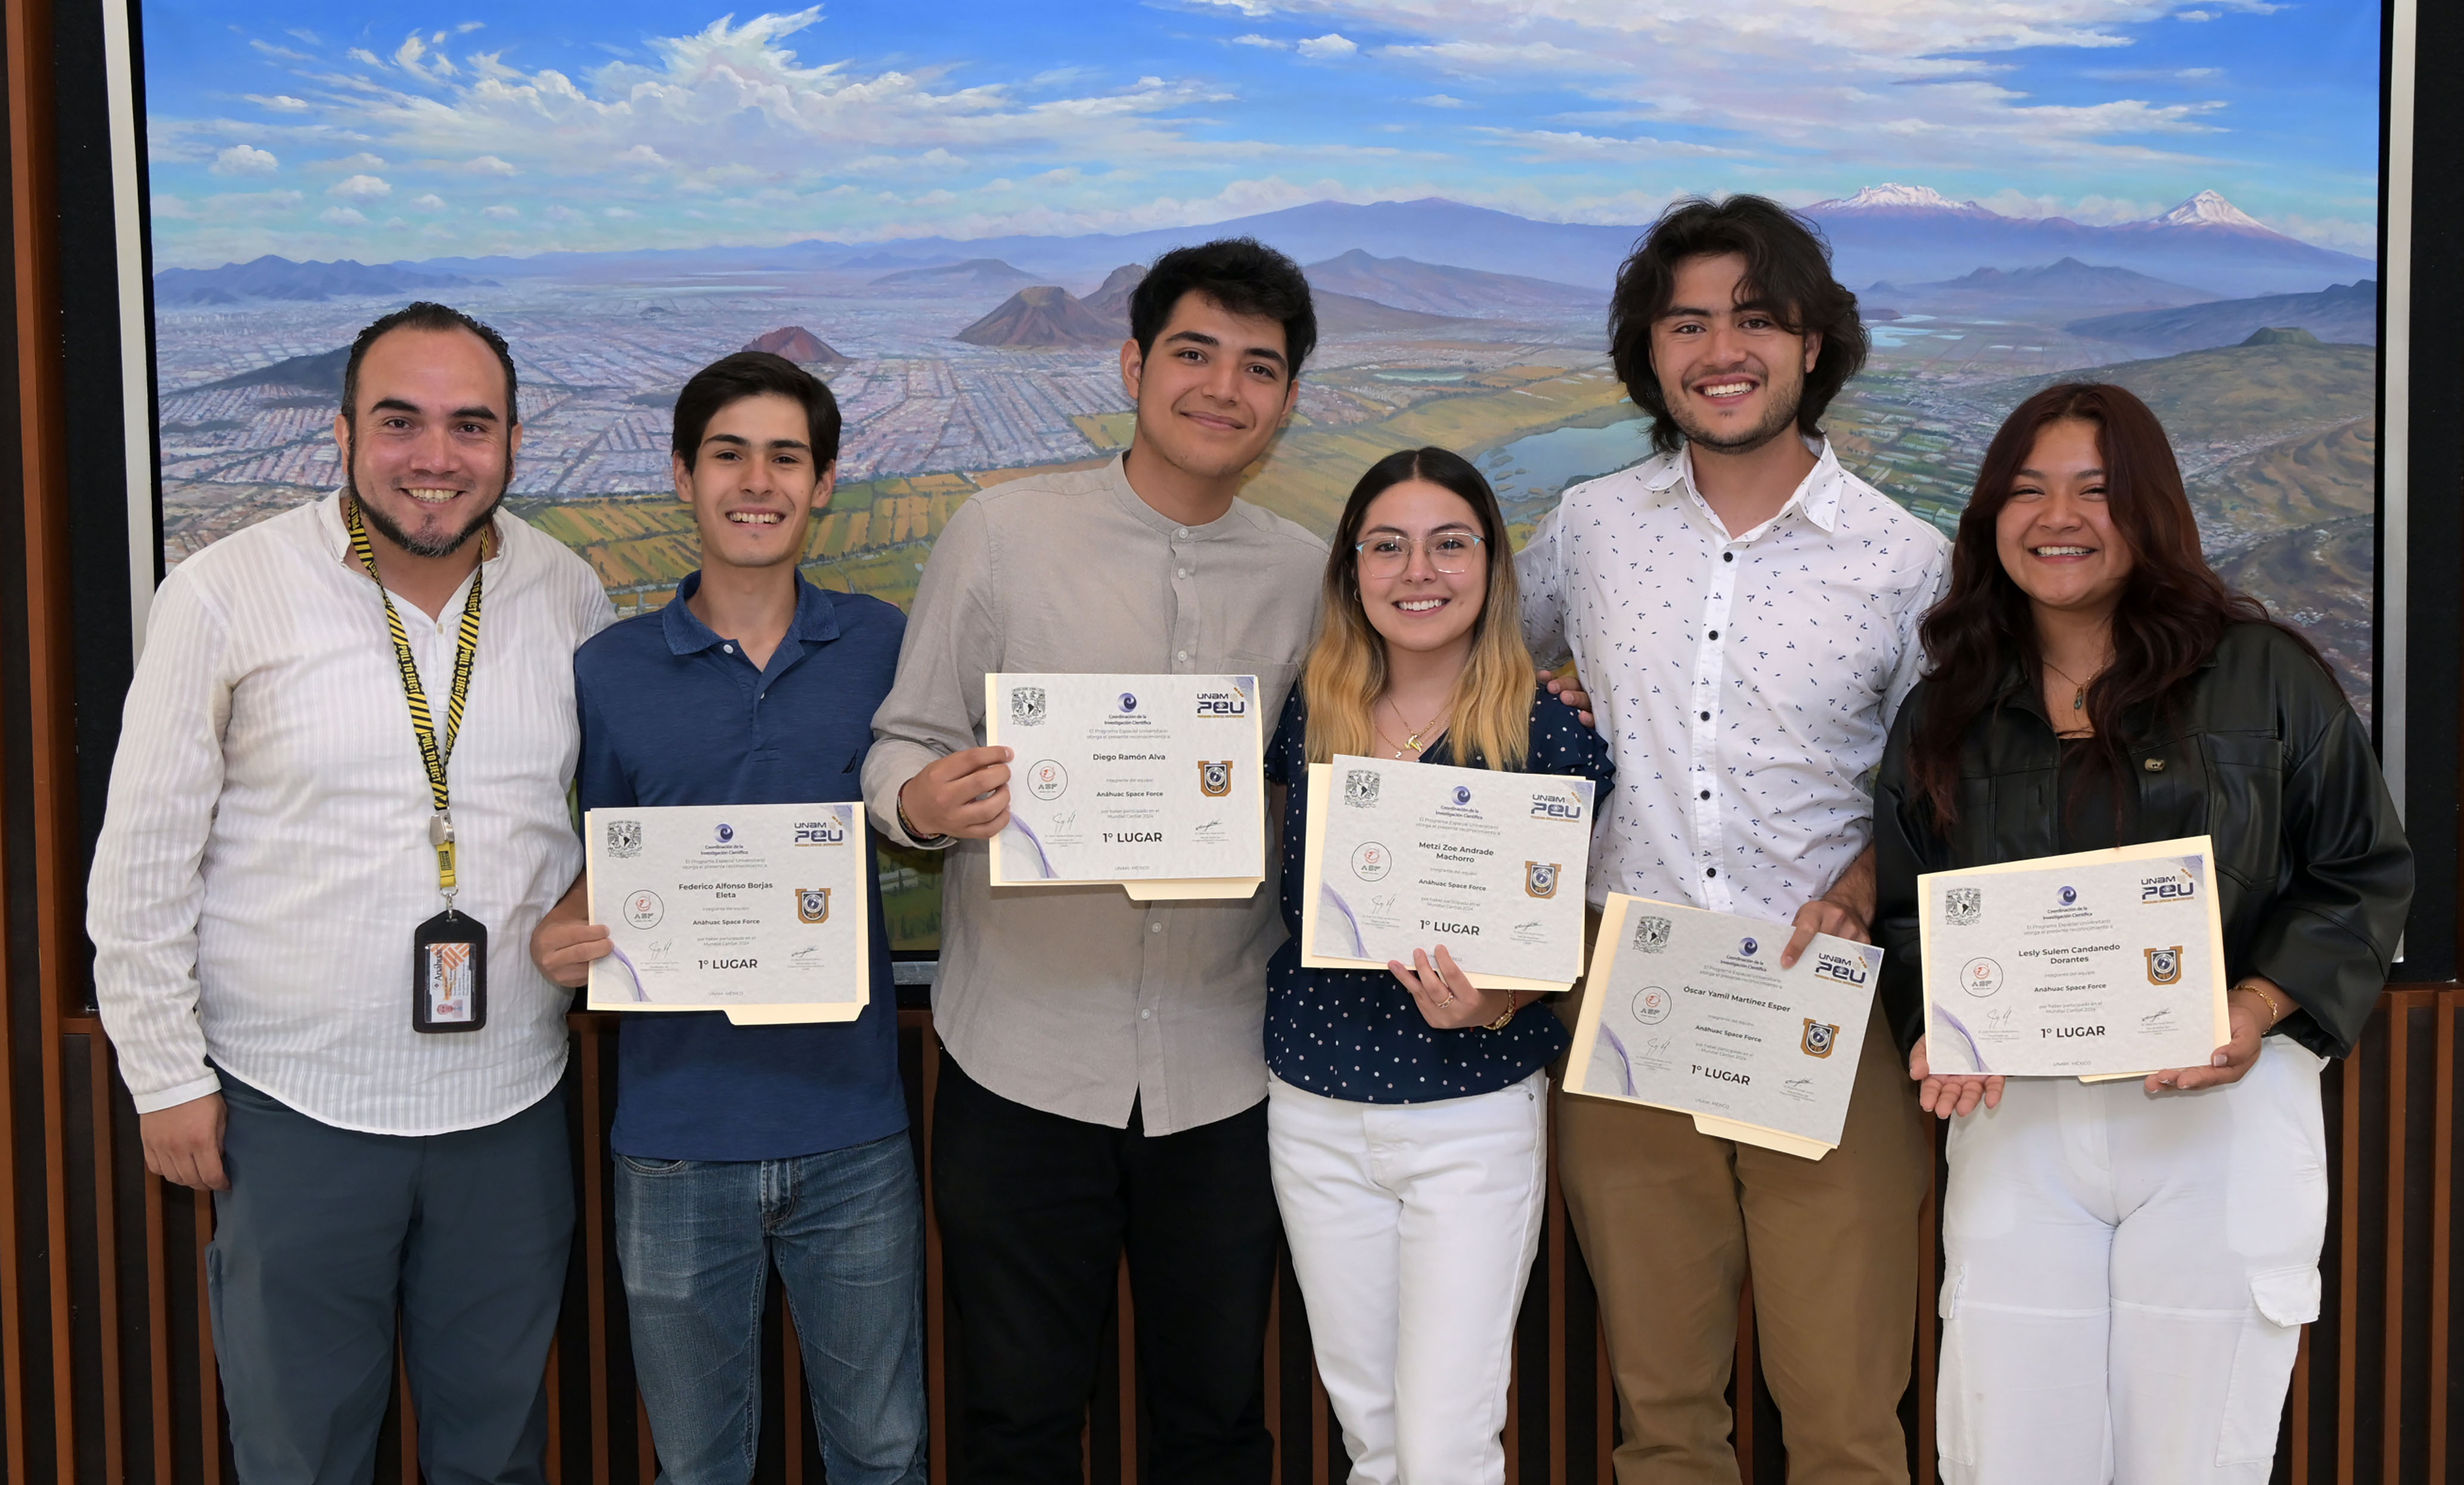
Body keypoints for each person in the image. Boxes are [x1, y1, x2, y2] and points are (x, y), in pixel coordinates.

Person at [88, 302, 612, 1485]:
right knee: (303, 1454)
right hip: (292, 1110)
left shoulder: (569, 594)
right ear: (341, 434)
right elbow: (144, 857)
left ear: (515, 445)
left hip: (510, 1107)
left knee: (498, 1451)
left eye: (471, 425)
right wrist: (164, 1074)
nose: (437, 456)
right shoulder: (225, 593)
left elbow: (607, 812)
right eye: (401, 421)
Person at [1871, 383, 2410, 1484]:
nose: (2057, 516)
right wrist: (1937, 1024)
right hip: (2017, 1122)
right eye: (2026, 490)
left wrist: (2255, 1005)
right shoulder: (1947, 709)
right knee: (2008, 1451)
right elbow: (1907, 908)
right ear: (1989, 520)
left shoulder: (2265, 676)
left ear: (2151, 511)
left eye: (2095, 490)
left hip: (2215, 1115)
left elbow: (2362, 871)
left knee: (2194, 1458)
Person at [862, 237, 1330, 1483]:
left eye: (1259, 367)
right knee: (1017, 1423)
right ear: (1133, 363)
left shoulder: (1307, 572)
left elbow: (1361, 762)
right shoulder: (1002, 533)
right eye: (1193, 353)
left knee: (1218, 1422)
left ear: (1287, 400)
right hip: (1022, 1062)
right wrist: (918, 797)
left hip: (1224, 1070)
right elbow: (906, 737)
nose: (1223, 388)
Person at [1518, 194, 1949, 1484]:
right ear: (1648, 354)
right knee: (1662, 1425)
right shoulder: (1589, 529)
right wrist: (1547, 696)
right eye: (1687, 320)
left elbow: (1951, 782)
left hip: (1824, 999)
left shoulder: (1907, 560)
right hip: (1630, 993)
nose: (1721, 348)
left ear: (1814, 344)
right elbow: (1472, 665)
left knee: (1845, 1426)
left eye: (1755, 318)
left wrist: (1870, 879)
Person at [529, 352, 926, 1484]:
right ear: (682, 475)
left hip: (854, 1128)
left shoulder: (884, 647)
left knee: (885, 1458)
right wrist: (564, 937)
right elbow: (606, 866)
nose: (757, 481)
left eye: (786, 457)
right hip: (672, 1138)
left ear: (827, 481)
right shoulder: (609, 670)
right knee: (698, 1469)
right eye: (728, 454)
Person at [1261, 446, 1612, 1485]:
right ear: (1352, 571)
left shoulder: (1550, 734)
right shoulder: (1307, 718)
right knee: (1370, 1434)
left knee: (1447, 1442)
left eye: (1448, 543)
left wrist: (1503, 998)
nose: (1419, 572)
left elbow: (1561, 935)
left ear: (1492, 568)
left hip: (1469, 1117)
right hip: (1314, 1109)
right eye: (1388, 546)